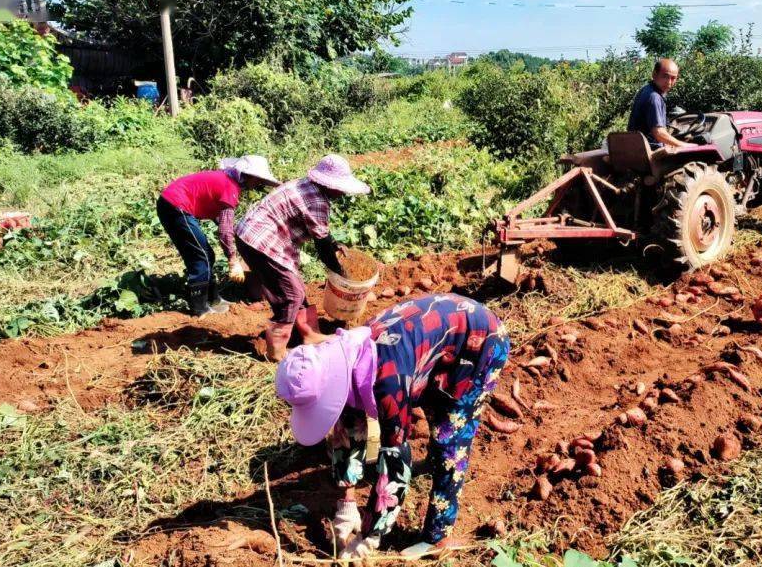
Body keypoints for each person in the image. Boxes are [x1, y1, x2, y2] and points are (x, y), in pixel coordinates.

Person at [275, 293, 510, 560]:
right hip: (436, 340)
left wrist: (370, 535)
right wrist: (346, 503)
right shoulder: (343, 352)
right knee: (421, 407)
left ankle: (439, 535)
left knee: (449, 434)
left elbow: (395, 461)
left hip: (480, 343)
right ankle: (432, 462)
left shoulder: (388, 382)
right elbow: (347, 424)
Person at [236, 154, 370, 361]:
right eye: (340, 188)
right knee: (290, 295)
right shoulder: (316, 200)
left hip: (253, 235)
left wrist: (333, 244)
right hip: (261, 242)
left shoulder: (306, 185)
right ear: (329, 184)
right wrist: (339, 271)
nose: (341, 192)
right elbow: (322, 246)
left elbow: (321, 234)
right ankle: (276, 354)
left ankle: (310, 334)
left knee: (295, 286)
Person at [157, 155, 280, 317]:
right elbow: (224, 230)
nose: (258, 184)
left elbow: (222, 221)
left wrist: (236, 238)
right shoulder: (230, 187)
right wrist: (233, 260)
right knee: (201, 257)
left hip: (172, 204)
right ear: (249, 176)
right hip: (176, 206)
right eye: (258, 180)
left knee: (207, 255)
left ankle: (214, 299)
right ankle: (199, 308)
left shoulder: (226, 181)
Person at [627, 58, 684, 149]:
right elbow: (659, 133)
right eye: (665, 76)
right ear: (654, 75)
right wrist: (685, 145)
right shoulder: (654, 97)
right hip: (649, 150)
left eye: (673, 78)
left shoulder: (647, 90)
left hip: (637, 147)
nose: (669, 82)